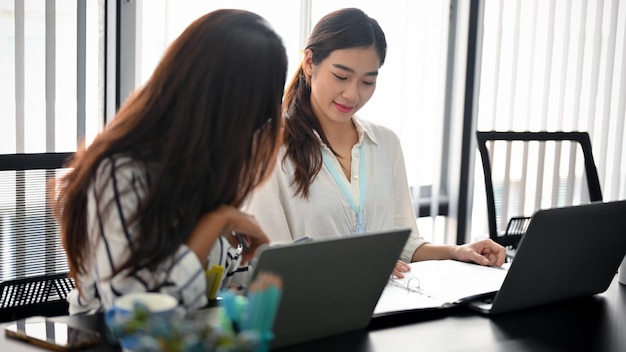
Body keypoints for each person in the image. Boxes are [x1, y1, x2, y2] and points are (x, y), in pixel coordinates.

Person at [53, 9, 288, 314]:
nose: (256, 128)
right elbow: (136, 312)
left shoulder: (207, 169)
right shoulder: (120, 173)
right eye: (252, 115)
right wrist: (215, 223)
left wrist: (264, 272)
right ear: (216, 105)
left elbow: (223, 280)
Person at [242, 8, 505, 277]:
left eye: (368, 81)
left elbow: (405, 246)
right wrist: (357, 265)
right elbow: (268, 259)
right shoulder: (268, 147)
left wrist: (456, 252)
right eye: (341, 77)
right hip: (310, 309)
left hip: (389, 305)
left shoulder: (386, 143)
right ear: (310, 63)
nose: (352, 94)